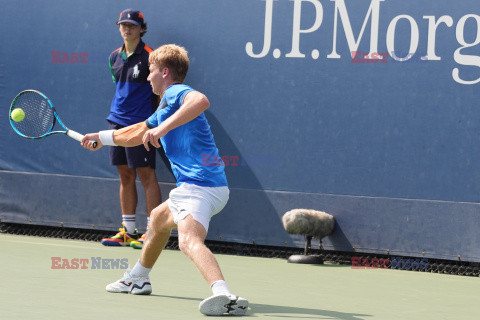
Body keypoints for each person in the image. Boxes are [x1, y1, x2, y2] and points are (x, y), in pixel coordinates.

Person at [81, 44, 249, 316]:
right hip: (202, 187)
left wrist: (162, 128)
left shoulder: (176, 92)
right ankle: (138, 277)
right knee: (158, 220)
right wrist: (101, 137)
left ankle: (224, 295)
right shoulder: (165, 106)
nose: (147, 77)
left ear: (166, 72)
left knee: (188, 241)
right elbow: (137, 132)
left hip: (200, 186)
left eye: (151, 71)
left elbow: (201, 101)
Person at [102, 9, 163, 249]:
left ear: (141, 28)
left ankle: (152, 232)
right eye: (123, 25)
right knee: (125, 175)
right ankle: (128, 231)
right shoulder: (113, 57)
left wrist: (154, 122)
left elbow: (160, 92)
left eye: (132, 25)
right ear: (119, 27)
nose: (127, 29)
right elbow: (120, 90)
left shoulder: (151, 57)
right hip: (116, 122)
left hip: (140, 125)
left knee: (146, 175)